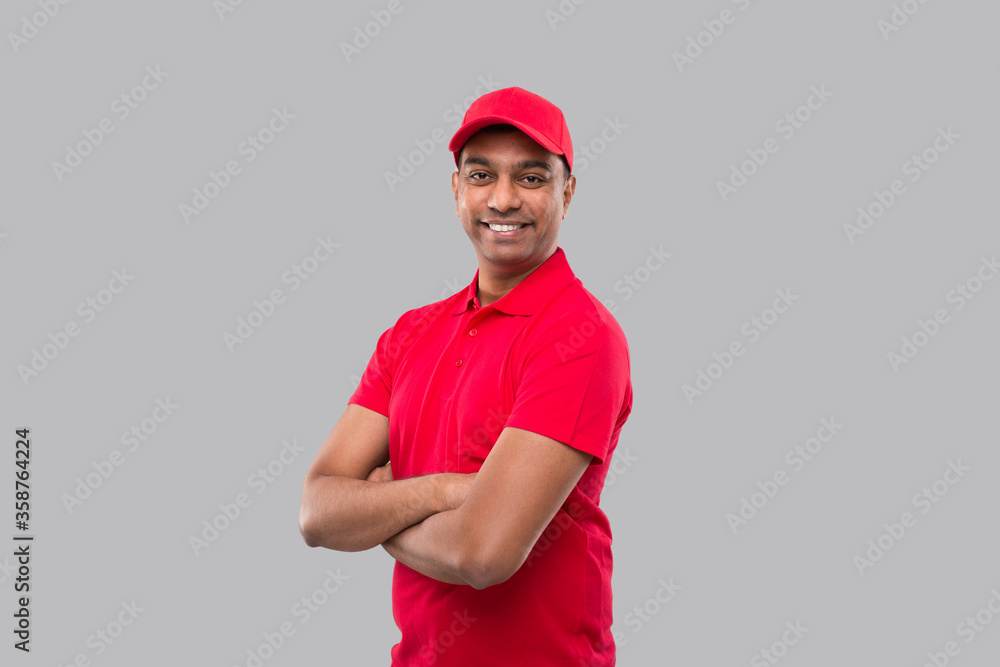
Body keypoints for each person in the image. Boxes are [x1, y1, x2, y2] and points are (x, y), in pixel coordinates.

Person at [299, 86, 633, 666]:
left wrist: (378, 507)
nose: (502, 199)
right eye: (481, 175)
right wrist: (441, 491)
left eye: (531, 178)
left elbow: (482, 553)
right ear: (456, 189)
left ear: (567, 193)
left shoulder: (581, 338)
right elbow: (318, 513)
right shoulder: (409, 335)